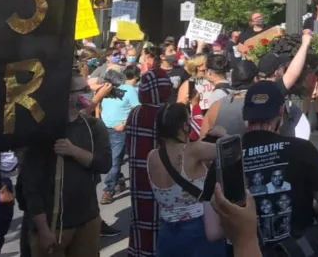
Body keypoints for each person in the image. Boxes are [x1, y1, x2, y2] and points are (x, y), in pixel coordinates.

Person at [202, 81, 318, 248]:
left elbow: (213, 232)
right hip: (297, 249)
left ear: (245, 114)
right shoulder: (303, 149)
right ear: (281, 110)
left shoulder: (224, 159)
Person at [22, 74, 113, 256]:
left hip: (87, 220)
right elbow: (30, 186)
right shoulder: (43, 131)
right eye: (82, 90)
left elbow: (104, 164)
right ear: (67, 95)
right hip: (52, 225)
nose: (88, 93)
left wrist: (74, 151)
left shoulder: (94, 126)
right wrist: (43, 229)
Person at [147, 102, 225, 256]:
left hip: (167, 232)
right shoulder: (193, 150)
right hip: (198, 229)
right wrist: (222, 134)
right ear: (184, 126)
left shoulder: (152, 156)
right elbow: (232, 150)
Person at [125, 69, 173, 257]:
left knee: (141, 219)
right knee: (162, 222)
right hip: (162, 178)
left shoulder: (135, 113)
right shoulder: (165, 114)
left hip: (138, 178)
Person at [96, 65, 141, 204]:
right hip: (104, 129)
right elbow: (97, 102)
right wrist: (98, 119)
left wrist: (124, 123)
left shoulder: (129, 90)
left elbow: (136, 109)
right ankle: (119, 180)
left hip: (119, 131)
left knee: (114, 161)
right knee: (110, 159)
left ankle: (108, 190)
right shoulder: (105, 88)